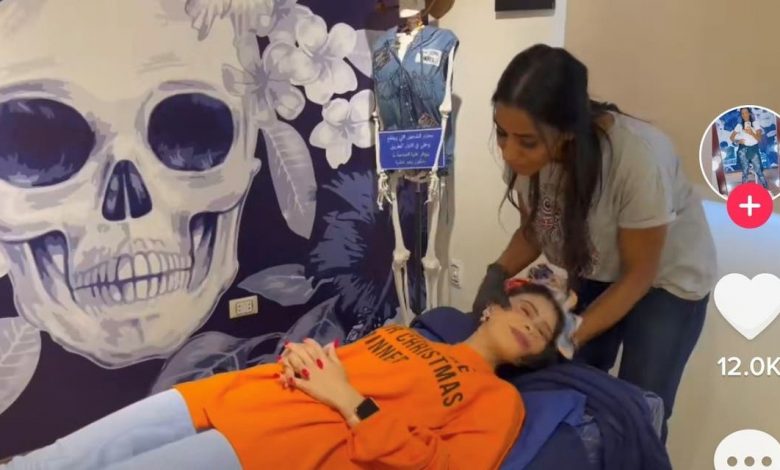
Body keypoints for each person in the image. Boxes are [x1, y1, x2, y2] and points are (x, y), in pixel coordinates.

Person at [4, 282, 565, 470]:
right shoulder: (406, 334)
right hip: (241, 390)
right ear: (493, 309)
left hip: (277, 442)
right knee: (53, 460)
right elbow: (336, 361)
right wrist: (304, 356)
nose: (530, 326)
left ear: (534, 356)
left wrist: (350, 401)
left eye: (541, 332)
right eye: (527, 311)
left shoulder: (500, 400)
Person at [471, 44, 716, 442]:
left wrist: (567, 335)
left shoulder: (637, 159)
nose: (510, 153)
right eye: (502, 134)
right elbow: (536, 228)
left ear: (567, 131)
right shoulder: (526, 154)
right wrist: (496, 272)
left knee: (639, 406)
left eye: (526, 142)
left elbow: (639, 275)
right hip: (598, 266)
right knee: (569, 383)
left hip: (664, 281)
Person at [730, 107, 768, 188]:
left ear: (749, 113)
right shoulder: (739, 126)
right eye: (742, 113)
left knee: (758, 171)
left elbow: (759, 139)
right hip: (743, 151)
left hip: (754, 150)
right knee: (745, 172)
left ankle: (766, 189)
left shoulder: (755, 124)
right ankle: (744, 190)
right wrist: (738, 141)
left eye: (746, 112)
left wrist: (751, 133)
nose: (744, 115)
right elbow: (731, 137)